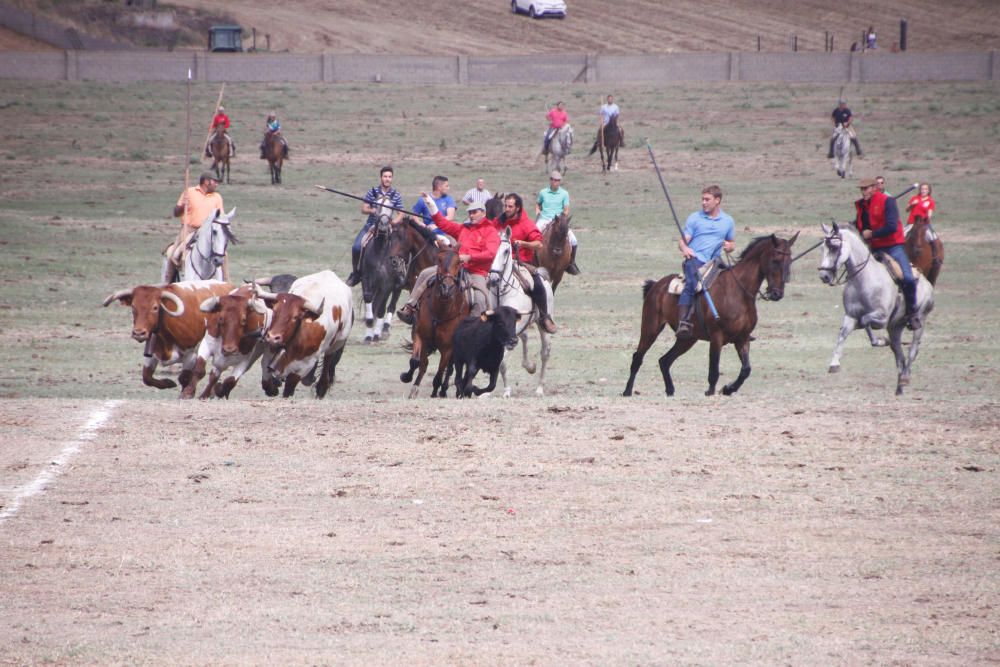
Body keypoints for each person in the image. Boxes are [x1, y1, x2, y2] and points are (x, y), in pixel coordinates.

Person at [396, 197, 500, 322]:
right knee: (425, 274)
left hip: (476, 272)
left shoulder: (491, 231)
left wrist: (470, 257)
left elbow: (491, 253)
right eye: (470, 213)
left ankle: (473, 326)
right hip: (455, 267)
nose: (471, 215)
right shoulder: (463, 228)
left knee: (480, 298)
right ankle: (410, 308)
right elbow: (443, 224)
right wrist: (432, 206)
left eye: (475, 212)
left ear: (483, 213)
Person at [854, 177, 921, 329]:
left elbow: (891, 226)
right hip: (874, 248)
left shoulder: (888, 201)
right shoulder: (862, 205)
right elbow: (863, 225)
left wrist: (872, 234)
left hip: (893, 246)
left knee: (908, 278)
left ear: (874, 188)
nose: (863, 192)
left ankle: (912, 313)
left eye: (866, 189)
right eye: (861, 189)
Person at [491, 193, 557, 334]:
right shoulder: (498, 222)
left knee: (537, 282)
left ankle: (544, 316)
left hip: (521, 262)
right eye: (505, 206)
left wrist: (523, 243)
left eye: (510, 206)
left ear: (518, 208)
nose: (507, 209)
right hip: (500, 261)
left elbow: (538, 244)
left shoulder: (526, 224)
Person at [676, 185, 736, 338]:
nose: (703, 202)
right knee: (691, 284)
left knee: (734, 283)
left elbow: (731, 243)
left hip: (715, 262)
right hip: (695, 260)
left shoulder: (728, 221)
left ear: (717, 201)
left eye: (707, 199)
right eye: (702, 199)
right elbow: (683, 241)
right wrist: (685, 248)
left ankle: (739, 325)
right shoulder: (695, 218)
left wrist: (729, 247)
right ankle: (683, 322)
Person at [346, 166, 404, 287]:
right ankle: (356, 273)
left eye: (389, 177)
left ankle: (399, 275)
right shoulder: (372, 192)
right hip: (371, 225)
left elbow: (401, 213)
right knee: (356, 247)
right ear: (381, 178)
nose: (387, 179)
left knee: (399, 248)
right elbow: (364, 209)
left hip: (388, 226)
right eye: (385, 176)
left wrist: (394, 222)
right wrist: (372, 210)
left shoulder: (396, 195)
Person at [169, 171, 226, 279]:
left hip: (208, 231)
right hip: (189, 229)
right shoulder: (189, 192)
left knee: (222, 252)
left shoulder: (217, 197)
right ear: (206, 182)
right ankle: (168, 280)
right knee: (174, 253)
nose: (216, 184)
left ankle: (226, 280)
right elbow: (176, 213)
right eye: (214, 181)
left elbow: (220, 216)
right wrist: (182, 207)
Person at [535, 170, 579, 275]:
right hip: (545, 219)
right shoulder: (543, 192)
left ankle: (571, 262)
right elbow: (538, 204)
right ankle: (531, 258)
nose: (556, 182)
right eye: (554, 180)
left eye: (558, 180)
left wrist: (563, 217)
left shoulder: (564, 193)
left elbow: (566, 209)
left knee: (574, 240)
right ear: (550, 180)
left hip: (558, 220)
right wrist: (537, 211)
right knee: (533, 234)